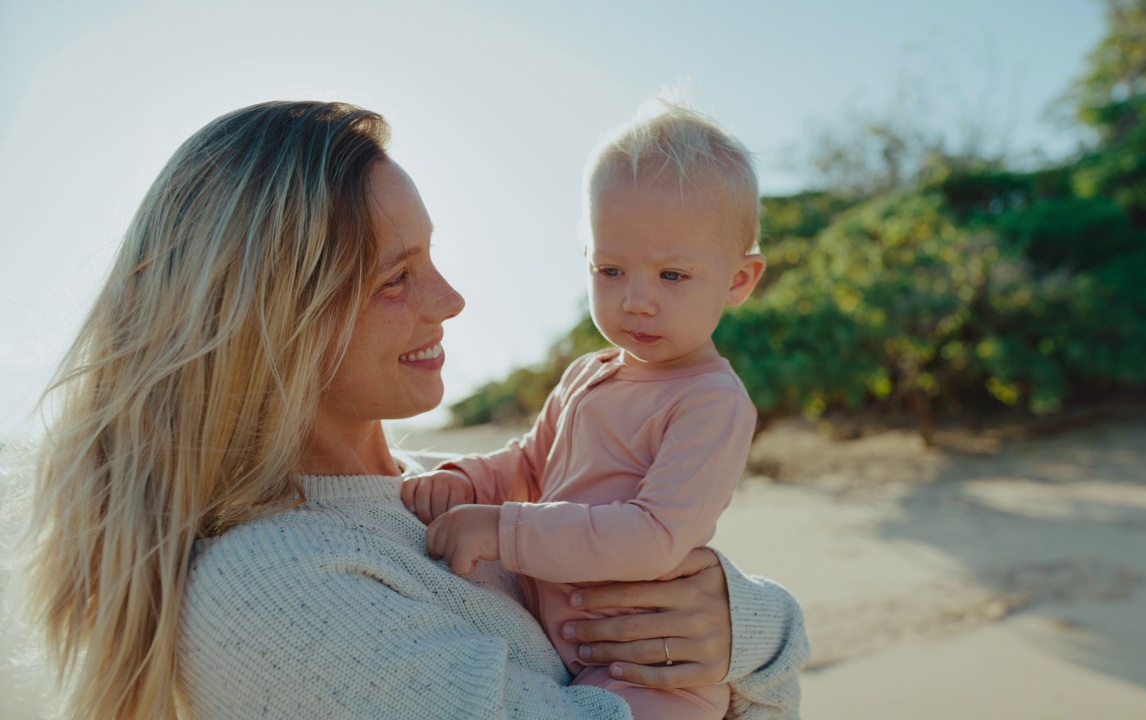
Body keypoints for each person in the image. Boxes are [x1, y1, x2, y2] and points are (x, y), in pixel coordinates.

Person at [19, 100, 807, 720]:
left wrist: (746, 624)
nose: (451, 300)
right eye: (397, 277)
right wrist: (763, 648)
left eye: (433, 258)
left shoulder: (445, 493)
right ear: (274, 317)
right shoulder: (276, 588)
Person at [399, 101, 769, 719]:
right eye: (611, 269)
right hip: (572, 656)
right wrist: (467, 481)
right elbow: (529, 463)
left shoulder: (712, 402)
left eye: (673, 275)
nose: (637, 301)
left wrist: (501, 529)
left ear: (738, 280)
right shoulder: (588, 374)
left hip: (654, 672)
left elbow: (653, 537)